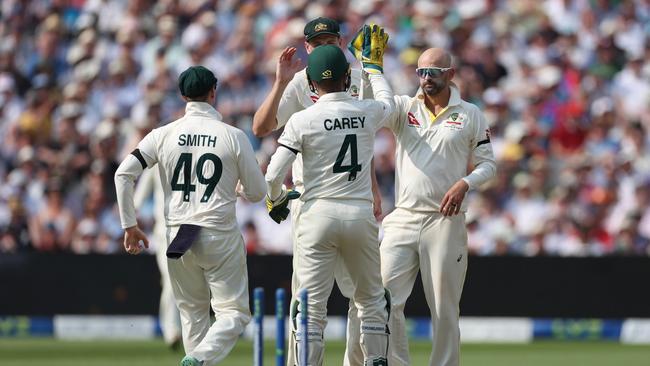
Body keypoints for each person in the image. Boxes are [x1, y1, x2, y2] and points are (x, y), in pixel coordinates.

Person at [114, 66, 266, 366]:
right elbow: (258, 193)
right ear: (213, 92)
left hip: (177, 235)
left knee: (193, 315)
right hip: (218, 232)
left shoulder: (162, 134)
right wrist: (237, 188)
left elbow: (123, 174)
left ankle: (195, 357)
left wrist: (129, 225)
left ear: (183, 96)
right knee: (234, 313)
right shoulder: (233, 136)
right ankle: (197, 358)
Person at [252, 17, 380, 365]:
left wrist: (374, 189)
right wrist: (279, 84)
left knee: (360, 296)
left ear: (340, 43)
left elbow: (362, 142)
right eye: (316, 42)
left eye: (329, 40)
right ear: (307, 48)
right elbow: (261, 127)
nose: (323, 46)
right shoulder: (297, 83)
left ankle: (356, 360)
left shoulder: (358, 79)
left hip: (349, 197)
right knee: (310, 299)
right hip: (311, 199)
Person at [365, 48, 497, 366]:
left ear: (450, 74)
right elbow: (370, 112)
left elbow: (488, 165)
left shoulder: (470, 114)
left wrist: (464, 183)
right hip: (404, 217)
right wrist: (372, 70)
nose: (426, 79)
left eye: (433, 72)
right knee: (382, 301)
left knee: (444, 309)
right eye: (422, 72)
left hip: (445, 221)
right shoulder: (403, 107)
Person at [133, 167, 182, 349]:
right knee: (171, 280)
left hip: (192, 231)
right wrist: (130, 218)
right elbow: (138, 198)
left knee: (191, 282)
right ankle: (171, 330)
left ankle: (192, 329)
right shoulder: (155, 160)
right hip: (164, 235)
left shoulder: (194, 152)